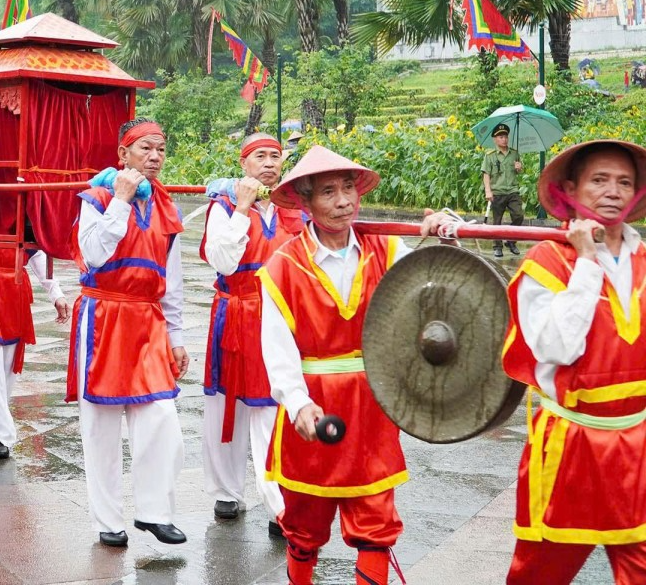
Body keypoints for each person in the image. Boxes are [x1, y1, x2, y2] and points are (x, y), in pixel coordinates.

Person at [258, 145, 450, 585]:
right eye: (329, 192)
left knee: (375, 525)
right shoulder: (283, 266)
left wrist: (440, 235)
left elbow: (432, 289)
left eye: (348, 188)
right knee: (304, 526)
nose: (344, 201)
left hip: (371, 407)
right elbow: (278, 348)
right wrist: (297, 404)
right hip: (314, 406)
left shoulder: (386, 248)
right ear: (305, 202)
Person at [503, 139, 646, 585]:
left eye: (625, 182)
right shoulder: (546, 262)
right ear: (571, 189)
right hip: (570, 449)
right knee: (540, 576)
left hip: (637, 450)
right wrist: (587, 261)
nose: (613, 191)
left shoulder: (644, 261)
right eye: (599, 180)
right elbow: (558, 347)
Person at [69, 118, 190, 548]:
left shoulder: (167, 207)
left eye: (161, 148)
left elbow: (171, 280)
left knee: (161, 418)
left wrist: (176, 336)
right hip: (103, 313)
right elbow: (93, 253)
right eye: (145, 149)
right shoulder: (98, 196)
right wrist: (119, 201)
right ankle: (108, 520)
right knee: (100, 425)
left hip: (148, 319)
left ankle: (154, 512)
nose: (155, 156)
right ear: (123, 155)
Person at [200, 133, 303, 531]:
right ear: (243, 164)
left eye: (275, 156)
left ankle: (279, 502)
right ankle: (226, 492)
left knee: (271, 406)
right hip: (234, 310)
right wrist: (243, 208)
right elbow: (222, 261)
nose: (269, 163)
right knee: (226, 404)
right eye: (259, 156)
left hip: (280, 317)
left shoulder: (295, 209)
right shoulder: (224, 205)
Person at [0, 246, 68, 459]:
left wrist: (55, 293)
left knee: (6, 367)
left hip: (13, 282)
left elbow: (37, 249)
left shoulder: (29, 211)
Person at [483, 123, 523, 258]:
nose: (504, 139)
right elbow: (486, 174)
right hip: (498, 191)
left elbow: (517, 171)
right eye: (500, 137)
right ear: (495, 139)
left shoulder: (514, 153)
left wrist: (519, 168)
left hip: (512, 190)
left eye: (505, 136)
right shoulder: (490, 156)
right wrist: (488, 191)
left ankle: (511, 241)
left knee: (518, 216)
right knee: (497, 221)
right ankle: (497, 246)